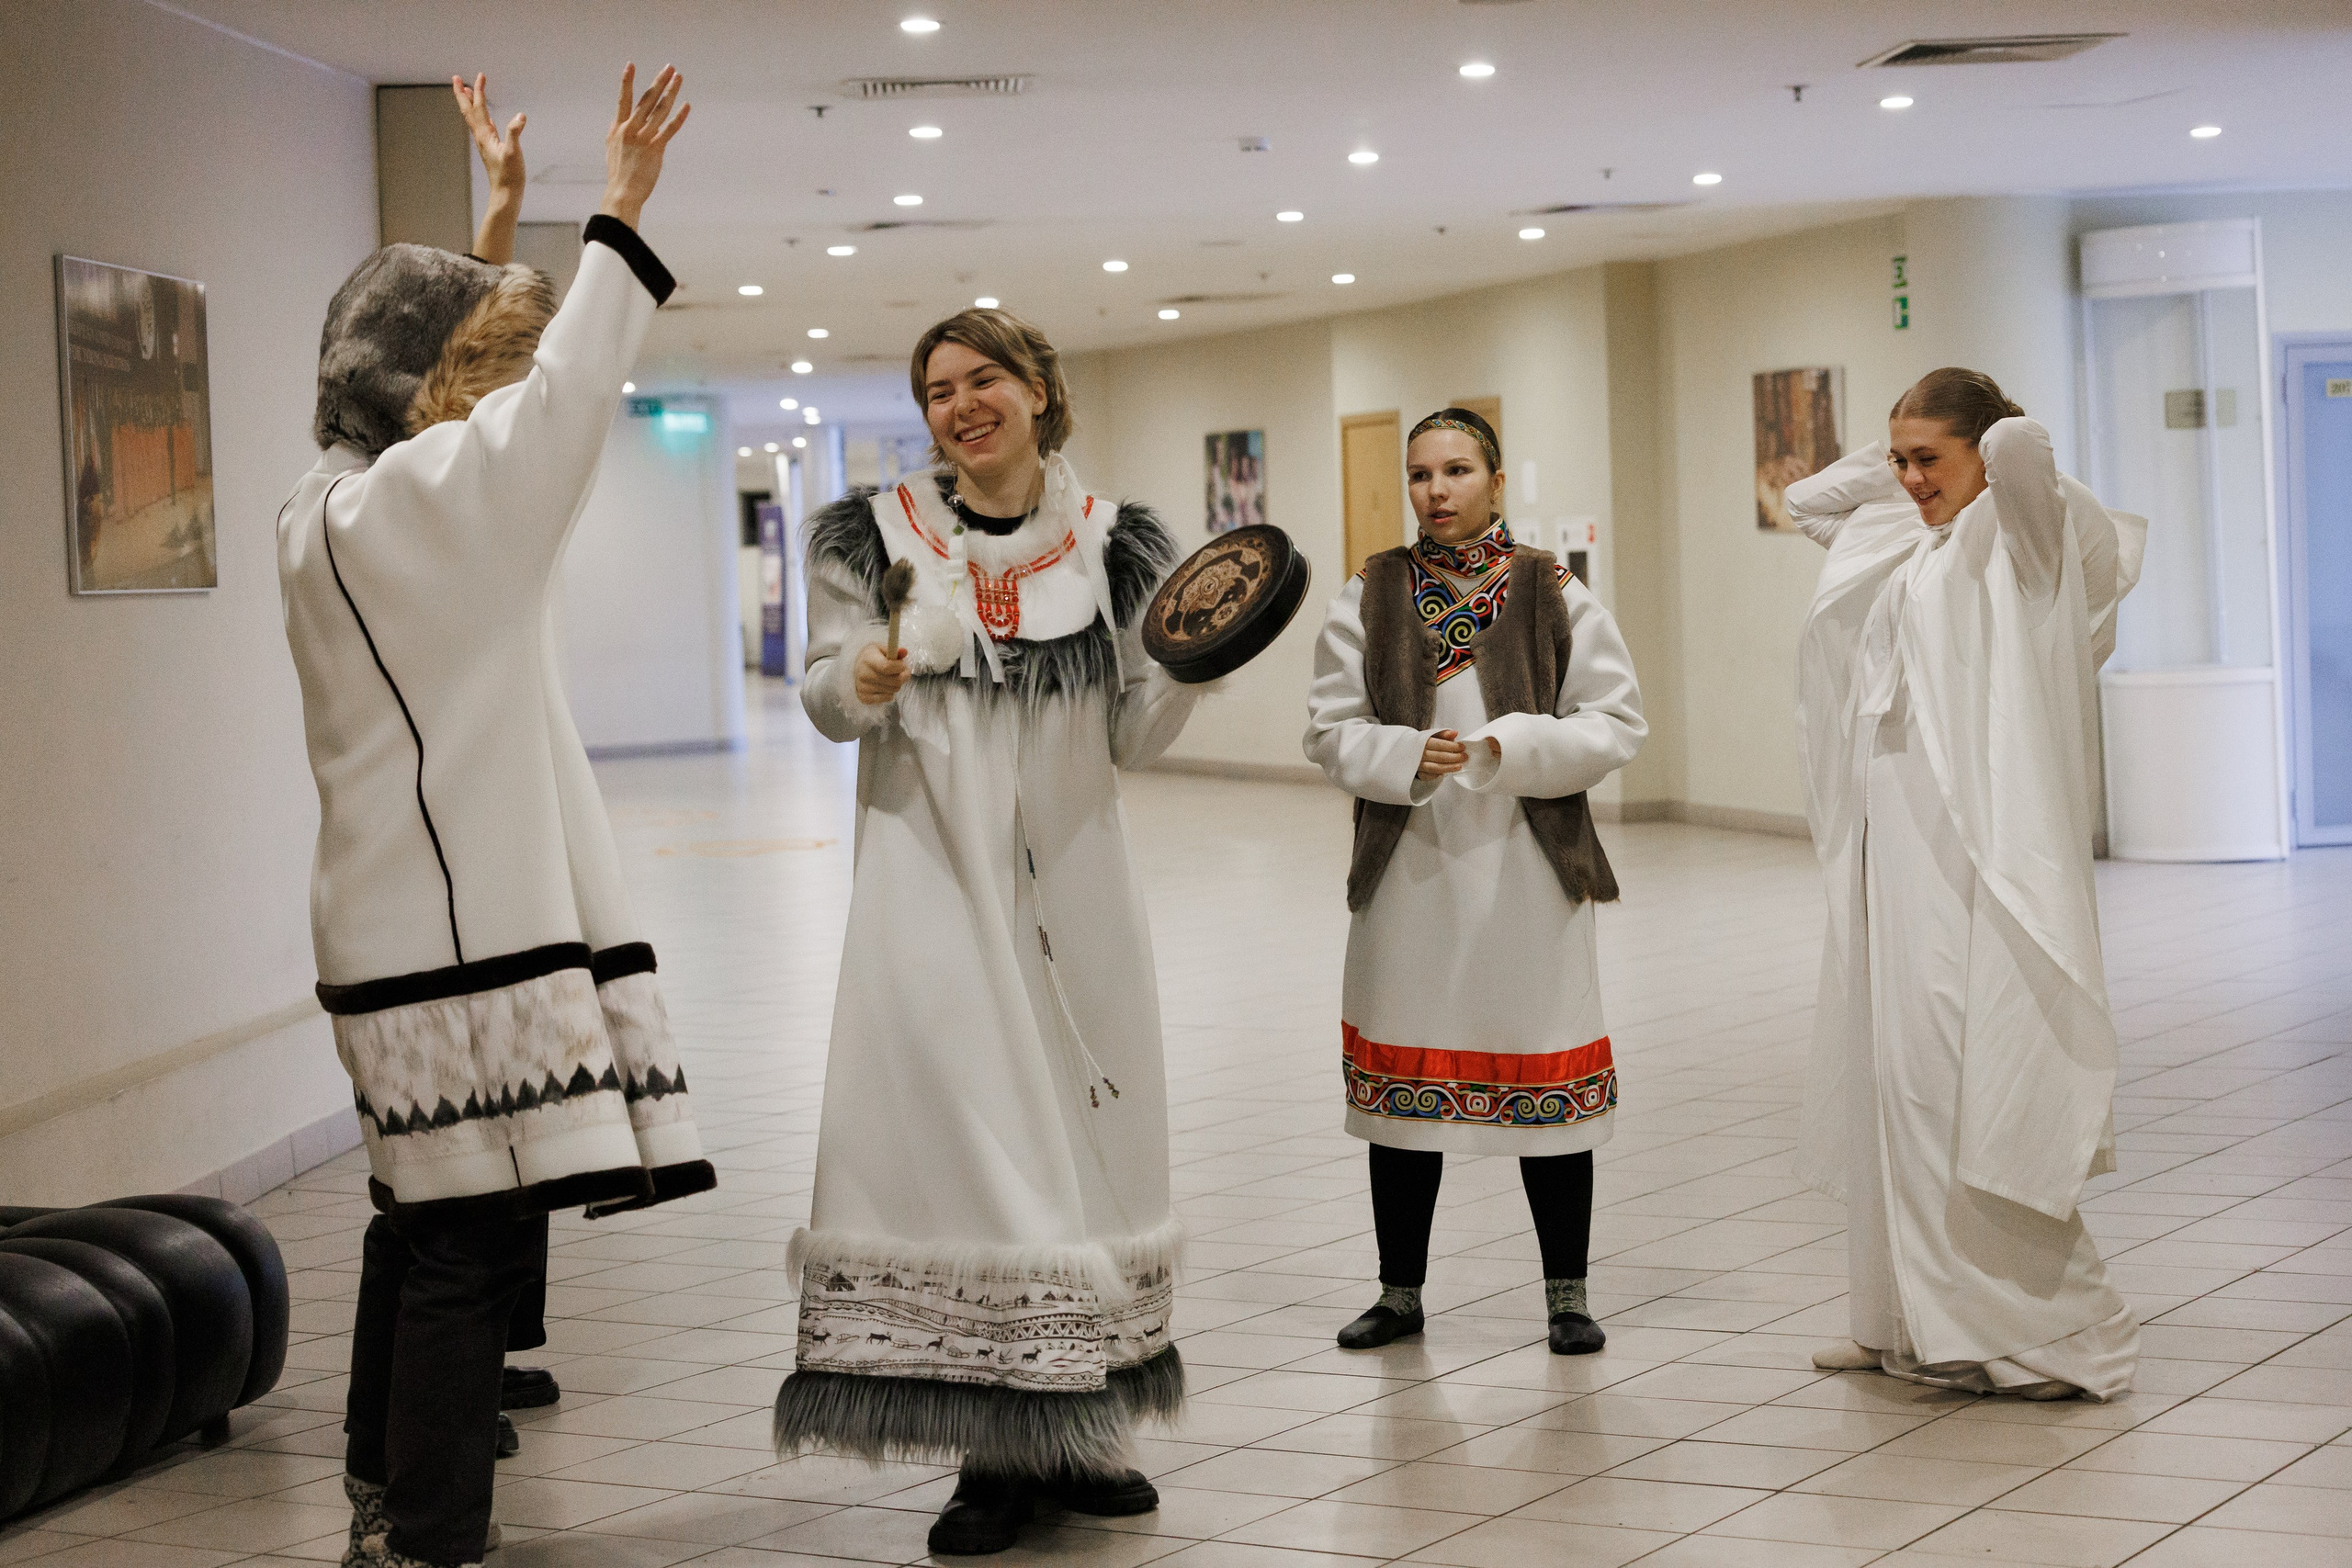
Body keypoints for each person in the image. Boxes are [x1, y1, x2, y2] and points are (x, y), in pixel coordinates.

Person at [277, 67, 707, 1568]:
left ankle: (386, 1503)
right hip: (462, 946)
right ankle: (432, 1539)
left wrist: (499, 216)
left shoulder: (326, 506)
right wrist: (622, 209)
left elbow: (460, 382)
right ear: (425, 383)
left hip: (386, 925)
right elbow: (564, 388)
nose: (492, 377)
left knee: (418, 1217)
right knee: (464, 1237)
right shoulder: (439, 504)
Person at [775, 308, 1201, 1558]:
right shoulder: (874, 537)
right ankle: (990, 1451)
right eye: (938, 388)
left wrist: (1186, 665)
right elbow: (820, 694)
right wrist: (860, 679)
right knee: (970, 1152)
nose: (961, 405)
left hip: (1078, 898)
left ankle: (1082, 1430)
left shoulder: (1118, 545)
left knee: (1088, 1151)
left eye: (985, 380)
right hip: (931, 892)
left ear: (1039, 389)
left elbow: (1133, 732)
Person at [1789, 368, 2148, 1402]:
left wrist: (1984, 448)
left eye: (1924, 461)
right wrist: (1906, 453)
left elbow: (2027, 456)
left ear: (1980, 458)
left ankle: (2045, 1331)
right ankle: (1901, 1319)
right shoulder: (1907, 538)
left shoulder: (2024, 546)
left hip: (1970, 859)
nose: (1904, 480)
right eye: (1894, 460)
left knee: (1957, 1076)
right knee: (1891, 1077)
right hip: (1887, 847)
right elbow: (1809, 503)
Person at [1304, 408, 1645, 1358]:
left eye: (1456, 470)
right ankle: (1399, 1293)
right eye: (1419, 474)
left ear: (1495, 480)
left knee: (1546, 1071)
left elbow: (1616, 721)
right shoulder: (1367, 592)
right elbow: (1327, 729)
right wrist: (1410, 753)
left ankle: (1567, 1295)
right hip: (1409, 869)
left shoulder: (1552, 589)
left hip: (1530, 870)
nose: (1436, 490)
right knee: (1402, 1096)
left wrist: (1507, 746)